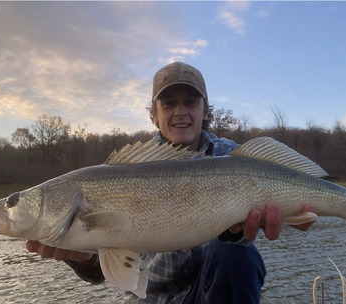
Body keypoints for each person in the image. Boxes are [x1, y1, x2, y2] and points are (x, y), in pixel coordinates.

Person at [26, 62, 316, 303]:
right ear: (154, 113)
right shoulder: (126, 170)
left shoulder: (232, 157)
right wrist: (80, 257)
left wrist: (285, 215)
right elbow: (100, 273)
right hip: (154, 299)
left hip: (213, 294)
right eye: (168, 103)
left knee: (237, 255)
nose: (180, 111)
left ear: (205, 111)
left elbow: (240, 245)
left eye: (190, 102)